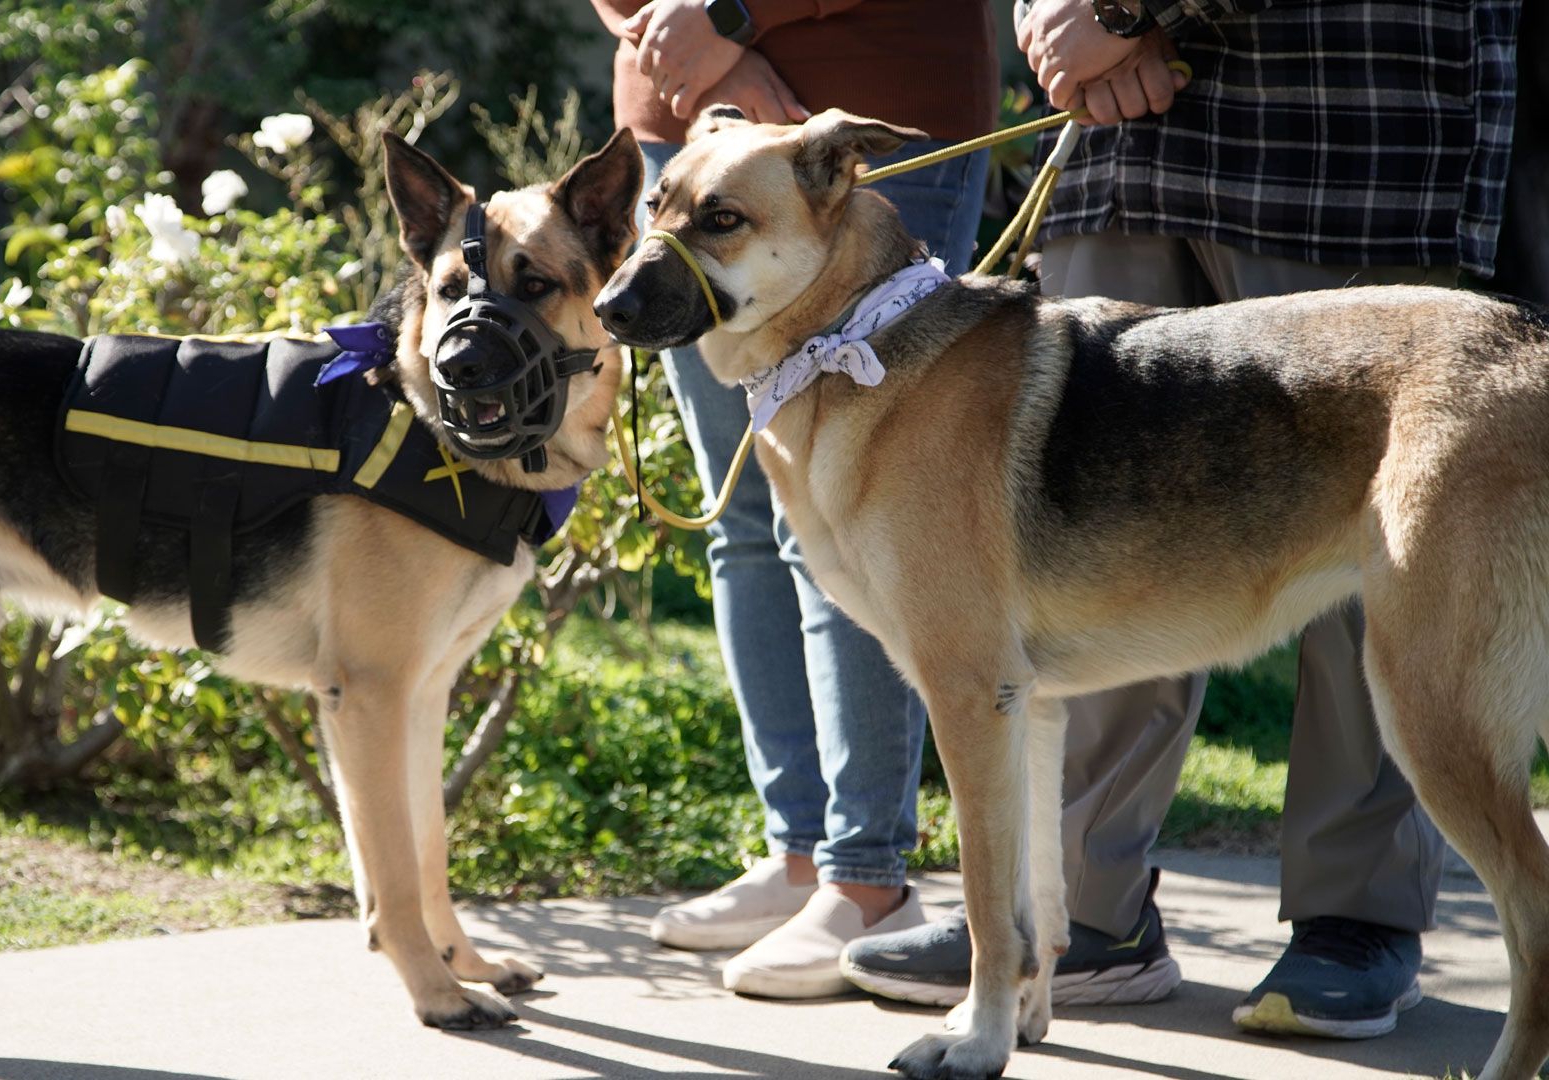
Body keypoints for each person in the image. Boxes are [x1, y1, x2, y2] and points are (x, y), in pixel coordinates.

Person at [842, 0, 1523, 1036]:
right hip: (1122, 158)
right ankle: (1076, 913)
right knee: (1075, 562)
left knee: (1369, 574)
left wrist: (1128, 10)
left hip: (1342, 128)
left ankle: (1357, 919)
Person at [588, 0, 998, 998]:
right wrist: (688, 52)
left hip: (876, 90)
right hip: (682, 125)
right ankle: (800, 854)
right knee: (744, 525)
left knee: (853, 526)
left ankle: (866, 878)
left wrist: (731, 20)